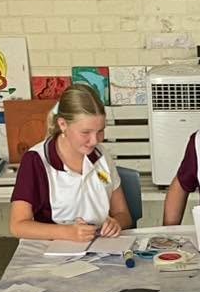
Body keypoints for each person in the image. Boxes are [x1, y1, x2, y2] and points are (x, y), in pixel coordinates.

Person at [9, 83, 132, 241]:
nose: (95, 140)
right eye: (85, 132)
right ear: (62, 125)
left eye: (100, 131)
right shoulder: (36, 160)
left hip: (101, 248)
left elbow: (123, 214)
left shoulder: (101, 156)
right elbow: (17, 226)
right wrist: (68, 233)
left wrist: (116, 224)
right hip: (54, 250)